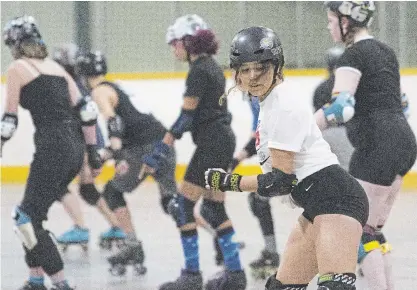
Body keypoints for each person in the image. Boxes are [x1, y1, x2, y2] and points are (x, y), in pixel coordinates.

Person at [206, 26, 369, 290]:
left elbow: (279, 182)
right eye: (245, 70)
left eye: (260, 68)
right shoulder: (269, 102)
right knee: (282, 286)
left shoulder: (283, 102)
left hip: (337, 200)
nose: (253, 77)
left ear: (276, 66)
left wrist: (228, 182)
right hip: (317, 203)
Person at [315, 2, 417, 289]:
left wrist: (305, 131)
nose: (329, 26)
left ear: (347, 21)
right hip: (403, 141)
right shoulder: (385, 51)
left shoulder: (353, 54)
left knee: (357, 233)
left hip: (377, 144)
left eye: (331, 20)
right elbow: (402, 103)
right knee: (372, 232)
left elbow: (340, 108)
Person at [143, 14, 246, 290]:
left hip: (213, 143)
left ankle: (191, 276)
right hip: (222, 141)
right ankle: (235, 275)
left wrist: (160, 149)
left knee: (182, 206)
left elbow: (186, 117)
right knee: (213, 208)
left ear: (188, 42)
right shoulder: (210, 66)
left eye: (175, 43)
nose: (173, 48)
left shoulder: (199, 70)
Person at [1, 15, 102, 290]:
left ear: (15, 44)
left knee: (26, 219)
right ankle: (35, 280)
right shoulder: (56, 67)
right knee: (31, 216)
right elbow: (87, 111)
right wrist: (93, 152)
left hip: (52, 145)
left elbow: (9, 120)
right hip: (74, 146)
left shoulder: (17, 68)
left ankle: (60, 284)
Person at [76, 50, 177, 276]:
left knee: (112, 193)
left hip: (143, 149)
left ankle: (132, 247)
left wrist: (108, 151)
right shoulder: (115, 85)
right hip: (163, 142)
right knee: (173, 203)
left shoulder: (99, 91)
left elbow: (114, 123)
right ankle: (219, 237)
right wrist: (113, 151)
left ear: (82, 75)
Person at [51, 44, 125, 251]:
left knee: (60, 186)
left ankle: (81, 228)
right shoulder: (78, 84)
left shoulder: (66, 85)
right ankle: (116, 225)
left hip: (81, 141)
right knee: (87, 189)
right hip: (91, 140)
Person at [228, 94, 280, 279]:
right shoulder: (255, 101)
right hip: (282, 159)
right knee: (258, 199)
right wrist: (235, 160)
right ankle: (271, 252)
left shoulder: (265, 100)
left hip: (293, 159)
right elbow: (257, 140)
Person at [313, 46, 354, 171]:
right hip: (346, 132)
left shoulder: (321, 88)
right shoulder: (349, 86)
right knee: (349, 170)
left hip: (324, 133)